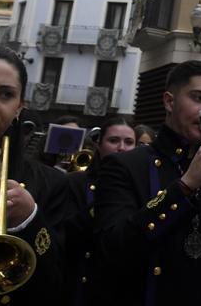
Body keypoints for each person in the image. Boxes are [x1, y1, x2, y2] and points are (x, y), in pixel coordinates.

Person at [94, 60, 201, 305]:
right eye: (199, 98)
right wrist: (185, 186)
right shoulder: (124, 166)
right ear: (169, 101)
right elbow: (113, 248)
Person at [0, 45, 68, 304]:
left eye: (5, 94)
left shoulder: (52, 182)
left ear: (20, 107)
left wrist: (29, 218)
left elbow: (58, 281)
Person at [63, 117, 137, 306]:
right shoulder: (74, 182)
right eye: (113, 141)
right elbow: (65, 233)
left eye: (129, 142)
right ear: (99, 144)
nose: (122, 147)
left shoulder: (139, 185)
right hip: (82, 281)